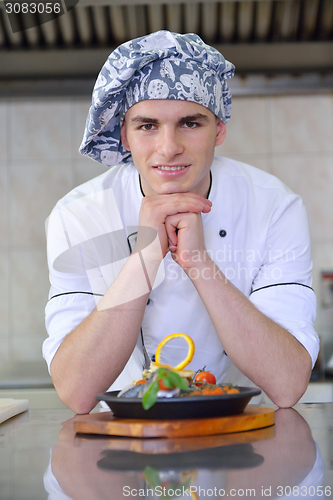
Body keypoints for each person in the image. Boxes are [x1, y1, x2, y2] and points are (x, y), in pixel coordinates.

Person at [43, 30, 319, 414]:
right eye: (147, 125)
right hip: (119, 448)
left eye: (190, 123)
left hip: (238, 447)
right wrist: (144, 257)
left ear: (219, 129)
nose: (169, 147)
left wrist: (199, 263)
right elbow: (76, 390)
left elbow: (288, 384)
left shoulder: (273, 207)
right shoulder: (78, 216)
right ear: (124, 135)